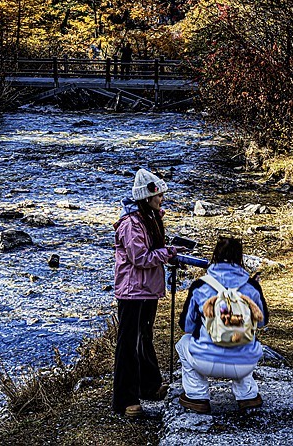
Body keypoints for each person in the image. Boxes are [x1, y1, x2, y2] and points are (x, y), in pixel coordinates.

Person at [176, 236, 269, 414]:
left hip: (205, 361)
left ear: (215, 257)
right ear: (240, 258)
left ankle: (197, 396)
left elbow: (187, 327)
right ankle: (247, 395)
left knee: (183, 342)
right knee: (247, 340)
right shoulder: (251, 287)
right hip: (243, 364)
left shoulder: (200, 286)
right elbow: (263, 321)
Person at [112, 168, 178, 418]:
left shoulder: (149, 218)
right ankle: (124, 399)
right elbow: (140, 258)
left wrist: (168, 251)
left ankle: (148, 386)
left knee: (144, 337)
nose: (162, 199)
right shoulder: (131, 224)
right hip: (132, 291)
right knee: (128, 344)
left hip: (146, 289)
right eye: (159, 195)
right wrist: (167, 253)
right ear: (147, 197)